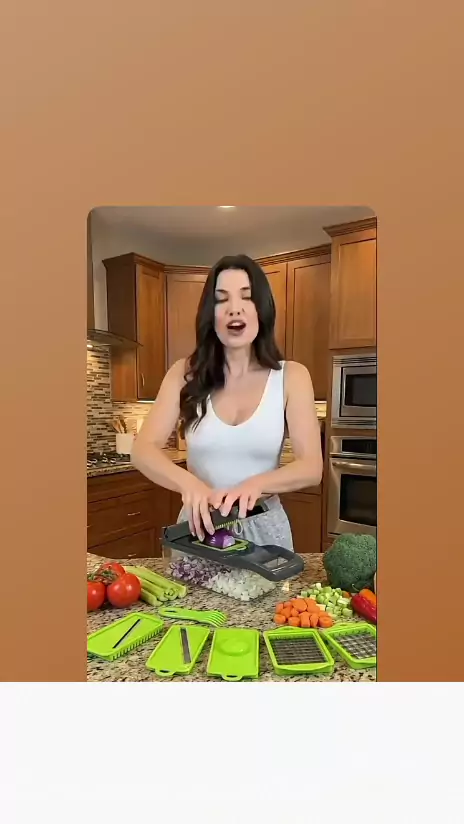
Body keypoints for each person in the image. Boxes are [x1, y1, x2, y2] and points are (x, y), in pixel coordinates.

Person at [131, 254, 323, 551]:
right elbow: (143, 450)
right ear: (211, 314)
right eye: (222, 299)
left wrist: (256, 485)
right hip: (200, 528)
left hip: (264, 528)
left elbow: (311, 466)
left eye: (246, 296)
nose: (235, 308)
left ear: (261, 309)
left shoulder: (292, 377)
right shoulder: (184, 373)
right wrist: (189, 485)